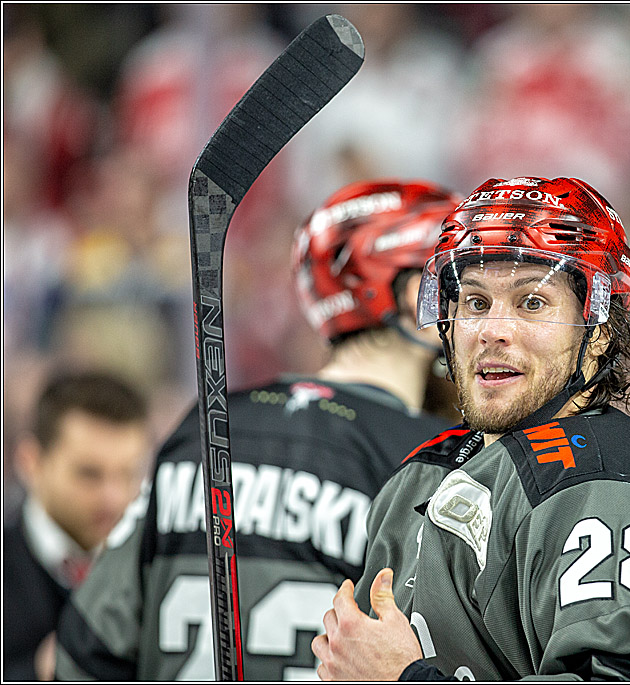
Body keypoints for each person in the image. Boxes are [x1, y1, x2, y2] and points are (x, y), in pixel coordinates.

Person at [312, 176, 630, 681]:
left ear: (596, 334)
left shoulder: (606, 483)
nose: (493, 329)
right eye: (475, 302)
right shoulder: (418, 478)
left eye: (531, 302)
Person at [53, 179, 460, 680]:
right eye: (455, 282)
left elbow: (82, 649)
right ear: (408, 293)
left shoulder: (202, 426)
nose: (470, 308)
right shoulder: (433, 459)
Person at [4, 370, 150, 681]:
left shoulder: (149, 569)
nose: (113, 498)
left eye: (128, 474)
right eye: (89, 474)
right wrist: (36, 672)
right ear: (30, 462)